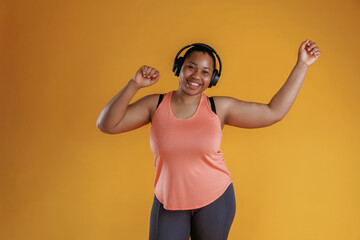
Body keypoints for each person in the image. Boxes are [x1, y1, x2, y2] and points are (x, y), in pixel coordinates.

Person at [96, 40, 321, 240]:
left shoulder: (218, 108)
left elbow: (274, 112)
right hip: (168, 201)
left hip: (215, 200)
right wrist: (134, 84)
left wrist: (302, 65)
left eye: (205, 72)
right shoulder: (154, 105)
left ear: (212, 78)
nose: (196, 76)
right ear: (179, 68)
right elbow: (106, 124)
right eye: (191, 67)